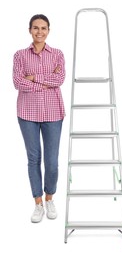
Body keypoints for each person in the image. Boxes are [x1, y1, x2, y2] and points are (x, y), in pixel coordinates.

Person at [13, 14, 65, 223]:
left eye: (43, 28)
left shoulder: (58, 54)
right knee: (33, 159)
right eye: (36, 28)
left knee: (51, 162)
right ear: (30, 30)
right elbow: (17, 82)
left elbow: (59, 79)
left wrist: (34, 78)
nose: (39, 32)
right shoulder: (19, 55)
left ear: (48, 30)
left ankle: (50, 197)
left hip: (53, 113)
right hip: (27, 114)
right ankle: (37, 203)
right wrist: (45, 82)